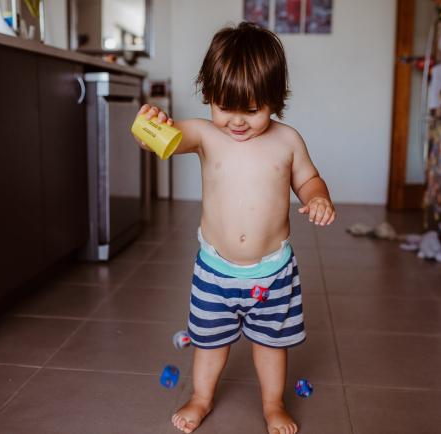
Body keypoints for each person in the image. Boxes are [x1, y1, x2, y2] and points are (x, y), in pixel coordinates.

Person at [132, 21, 336, 434]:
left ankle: (273, 404)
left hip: (273, 273)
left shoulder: (288, 141)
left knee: (270, 346)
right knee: (209, 344)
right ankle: (201, 398)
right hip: (215, 272)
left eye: (253, 109)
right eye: (225, 107)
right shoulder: (205, 135)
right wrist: (150, 129)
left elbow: (308, 179)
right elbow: (170, 137)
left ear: (275, 100)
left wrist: (317, 197)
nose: (237, 122)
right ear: (209, 95)